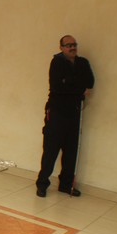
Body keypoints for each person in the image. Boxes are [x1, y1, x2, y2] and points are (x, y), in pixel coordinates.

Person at [36, 35, 94, 197]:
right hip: (56, 112)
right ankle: (42, 184)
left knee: (71, 151)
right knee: (50, 151)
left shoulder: (83, 63)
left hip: (74, 113)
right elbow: (57, 87)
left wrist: (68, 81)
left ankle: (66, 185)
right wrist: (78, 87)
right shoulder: (57, 62)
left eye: (74, 44)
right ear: (61, 47)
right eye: (68, 45)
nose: (72, 47)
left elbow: (90, 82)